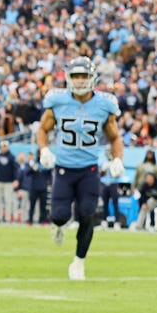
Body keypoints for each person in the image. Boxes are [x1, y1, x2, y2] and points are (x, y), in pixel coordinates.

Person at [36, 57, 124, 280]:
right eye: (75, 76)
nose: (80, 80)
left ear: (92, 77)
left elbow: (115, 137)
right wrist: (44, 149)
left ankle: (78, 262)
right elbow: (43, 129)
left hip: (89, 170)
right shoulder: (57, 101)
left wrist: (117, 159)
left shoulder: (105, 104)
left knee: (87, 214)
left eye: (84, 76)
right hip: (64, 168)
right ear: (68, 77)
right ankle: (58, 226)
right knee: (59, 216)